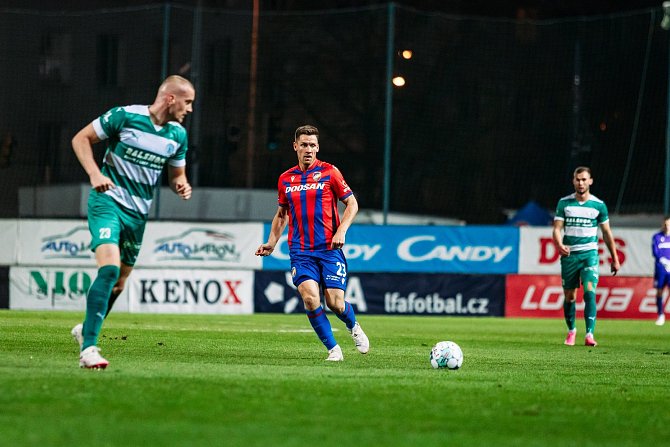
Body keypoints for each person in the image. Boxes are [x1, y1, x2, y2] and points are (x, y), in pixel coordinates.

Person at [70, 75, 195, 368]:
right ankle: (89, 349)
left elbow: (177, 176)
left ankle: (85, 328)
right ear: (171, 98)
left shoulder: (178, 135)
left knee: (119, 284)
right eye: (187, 102)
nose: (190, 109)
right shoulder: (124, 116)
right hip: (108, 202)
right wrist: (94, 174)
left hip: (138, 215)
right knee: (109, 269)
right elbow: (80, 138)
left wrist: (182, 186)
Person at [255, 124, 369, 361]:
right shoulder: (286, 179)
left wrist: (342, 231)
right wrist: (271, 242)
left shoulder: (330, 172)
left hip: (329, 249)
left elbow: (352, 204)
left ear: (318, 148)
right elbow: (282, 214)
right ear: (295, 146)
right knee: (310, 298)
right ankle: (333, 349)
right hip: (301, 251)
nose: (308, 149)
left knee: (335, 303)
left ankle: (353, 326)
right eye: (304, 144)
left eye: (313, 145)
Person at [552, 166, 621, 347]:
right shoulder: (564, 203)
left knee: (590, 291)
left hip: (589, 254)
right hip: (569, 256)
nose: (581, 183)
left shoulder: (598, 205)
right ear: (573, 181)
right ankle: (571, 330)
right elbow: (557, 229)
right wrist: (559, 244)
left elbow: (606, 233)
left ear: (590, 181)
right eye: (578, 179)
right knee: (570, 297)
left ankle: (589, 334)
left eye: (584, 179)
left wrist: (615, 258)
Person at [651, 216, 670, 326]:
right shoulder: (657, 236)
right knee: (659, 291)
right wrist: (664, 261)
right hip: (661, 269)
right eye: (665, 224)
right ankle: (660, 315)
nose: (667, 226)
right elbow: (655, 251)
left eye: (669, 224)